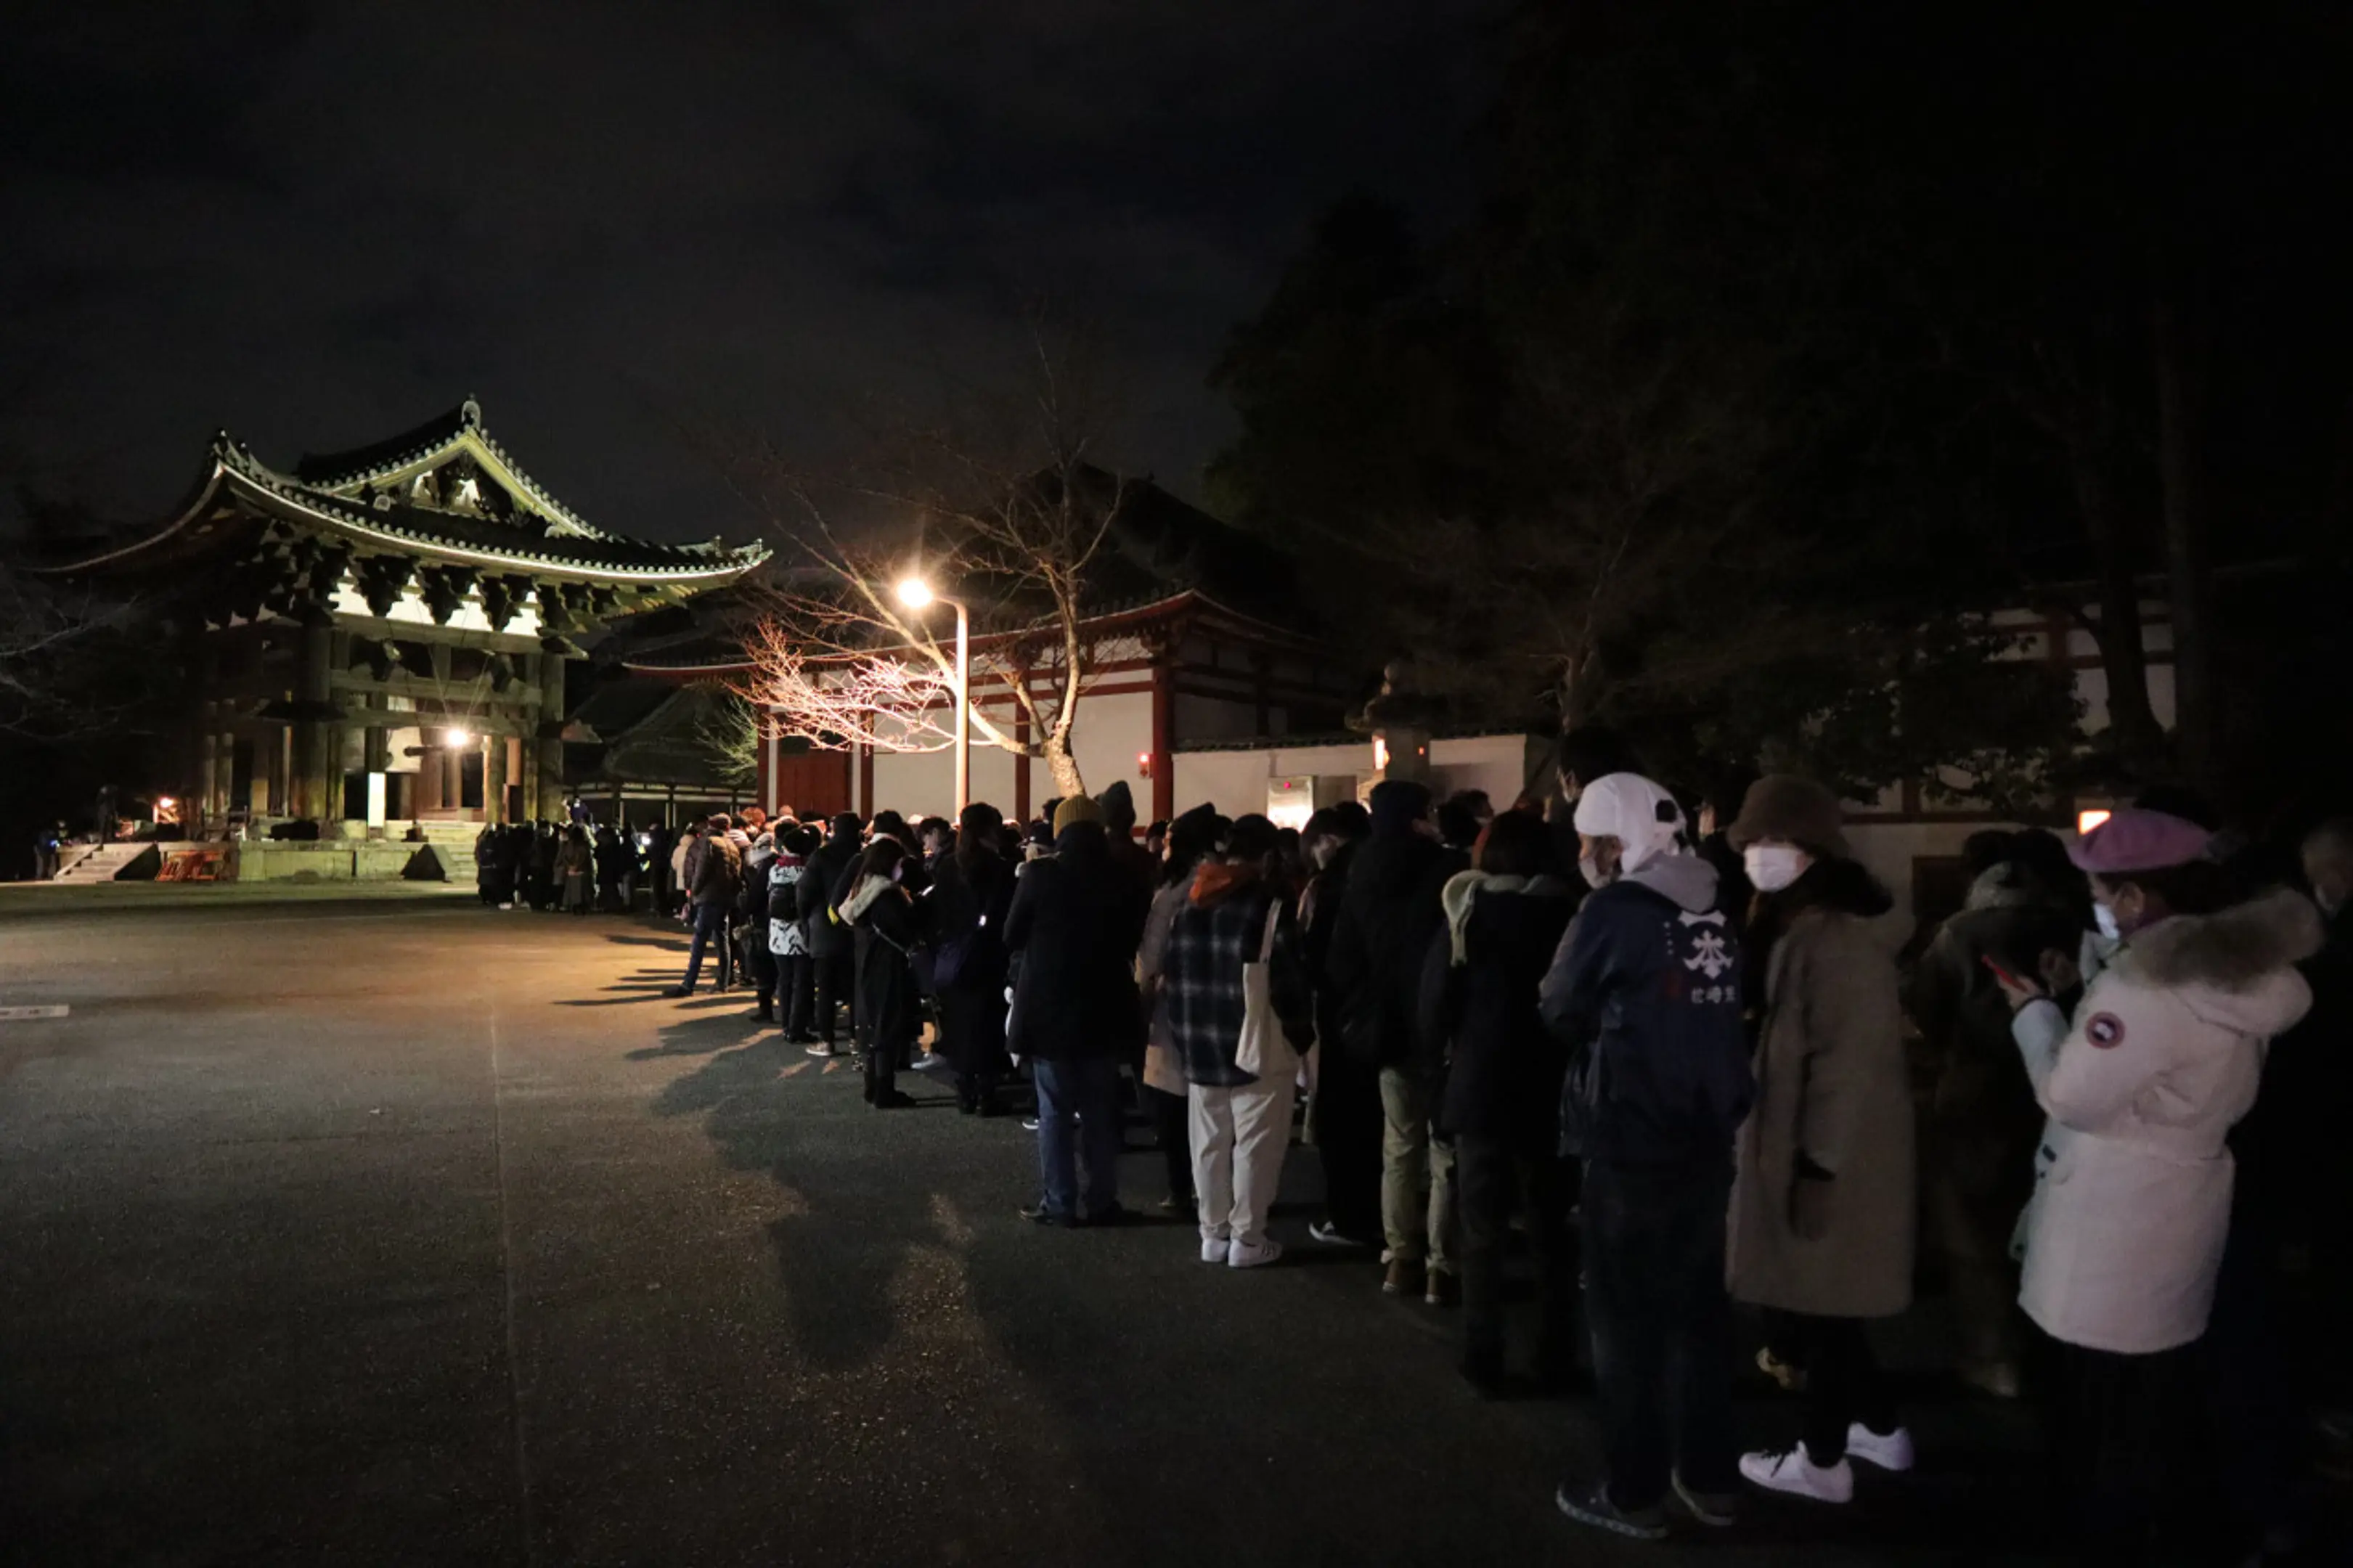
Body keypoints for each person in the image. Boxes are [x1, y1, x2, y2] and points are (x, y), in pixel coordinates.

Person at [1994, 809, 2317, 1560]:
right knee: (2155, 1403)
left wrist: (2035, 1014)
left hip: (2111, 1216)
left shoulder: (2143, 985)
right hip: (2183, 1198)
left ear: (2136, 897)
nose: (2097, 907)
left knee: (2092, 1420)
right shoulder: (2235, 970)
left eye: (2101, 893)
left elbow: (2072, 1095)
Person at [1540, 771, 1754, 1540]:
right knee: (1699, 1313)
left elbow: (1557, 1004)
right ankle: (1710, 1478)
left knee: (1624, 1320)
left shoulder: (1615, 910)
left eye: (1588, 841)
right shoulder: (1716, 902)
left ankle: (1632, 1492)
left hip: (1630, 1133)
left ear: (1614, 842)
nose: (1583, 855)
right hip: (1707, 1134)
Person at [1722, 776, 1917, 1506]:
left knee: (1823, 1306)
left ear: (1813, 850)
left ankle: (1822, 1459)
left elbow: (1845, 1065)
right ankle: (1879, 1427)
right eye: (1752, 841)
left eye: (1774, 841)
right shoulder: (1804, 925)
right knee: (1827, 1302)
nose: (1759, 854)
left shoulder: (1835, 939)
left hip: (1832, 1153)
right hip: (1818, 1146)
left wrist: (1818, 1165)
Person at [1904, 830, 2084, 1399]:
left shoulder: (1959, 932)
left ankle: (1993, 1357)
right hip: (2058, 1096)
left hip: (1975, 1097)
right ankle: (2054, 1350)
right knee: (2052, 1229)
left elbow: (1927, 1008)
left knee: (1974, 1238)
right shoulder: (2075, 927)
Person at [1419, 807, 1580, 1395]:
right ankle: (1554, 1355)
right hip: (1550, 1085)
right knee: (1549, 1227)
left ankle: (1482, 1357)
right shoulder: (1570, 914)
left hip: (1480, 1086)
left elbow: (1434, 1005)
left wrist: (1436, 1074)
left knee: (1481, 1229)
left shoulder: (1466, 912)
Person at [1328, 778, 1465, 1302]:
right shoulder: (1446, 868)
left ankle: (1399, 1259)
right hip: (1440, 1022)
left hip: (1385, 1025)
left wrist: (1360, 1009)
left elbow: (1342, 958)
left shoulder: (1361, 870)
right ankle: (1441, 1267)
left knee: (1399, 1144)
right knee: (1443, 1149)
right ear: (1417, 816)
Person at [1162, 814, 1314, 1267]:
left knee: (1208, 1143)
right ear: (1266, 857)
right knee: (1256, 1145)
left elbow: (1173, 978)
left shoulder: (1188, 905)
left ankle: (1212, 1234)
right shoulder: (1269, 908)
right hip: (1256, 1041)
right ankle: (1247, 1239)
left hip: (1199, 1042)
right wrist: (1301, 1038)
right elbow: (1289, 985)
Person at [1004, 796, 1150, 1227]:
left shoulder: (1041, 875)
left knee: (1054, 1110)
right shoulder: (1122, 876)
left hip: (1049, 1006)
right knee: (1101, 1111)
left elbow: (1011, 935)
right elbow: (1133, 939)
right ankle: (1102, 1200)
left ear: (1060, 830)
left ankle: (1060, 1202)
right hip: (1105, 1005)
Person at [1301, 801, 1379, 1247]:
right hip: (1387, 1012)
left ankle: (1348, 1217)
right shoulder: (1391, 873)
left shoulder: (1331, 884)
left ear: (1328, 840)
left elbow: (1316, 956)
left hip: (1340, 1014)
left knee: (1341, 1119)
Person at [1138, 809, 1219, 1217]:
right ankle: (1216, 1192)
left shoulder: (1172, 892)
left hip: (1174, 1003)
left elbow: (1151, 954)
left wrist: (1143, 989)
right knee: (1215, 1108)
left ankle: (1181, 1189)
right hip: (1221, 1005)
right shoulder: (1228, 882)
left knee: (1173, 1100)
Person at [927, 803, 1015, 1115]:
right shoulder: (1001, 868)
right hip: (990, 956)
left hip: (954, 955)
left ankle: (964, 1090)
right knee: (989, 1025)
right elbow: (1006, 916)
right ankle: (987, 1094)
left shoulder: (948, 866)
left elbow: (937, 911)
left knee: (959, 1024)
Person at [841, 837, 924, 1108]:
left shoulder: (862, 889)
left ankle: (872, 1087)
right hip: (889, 966)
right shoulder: (887, 894)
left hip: (868, 964)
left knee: (873, 1025)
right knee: (888, 1026)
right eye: (900, 863)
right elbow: (905, 928)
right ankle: (885, 1091)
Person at [799, 813, 864, 1055]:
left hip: (824, 929)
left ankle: (827, 1041)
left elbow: (805, 892)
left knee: (825, 988)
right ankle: (857, 1039)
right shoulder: (864, 856)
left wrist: (805, 919)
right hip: (856, 928)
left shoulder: (822, 855)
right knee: (856, 987)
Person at [667, 814, 742, 996]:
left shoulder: (709, 843)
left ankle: (688, 984)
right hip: (725, 898)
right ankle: (723, 982)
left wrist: (693, 892)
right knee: (722, 940)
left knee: (699, 942)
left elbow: (701, 871)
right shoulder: (731, 845)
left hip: (708, 898)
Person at [767, 825, 819, 1040]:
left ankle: (786, 1025)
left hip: (777, 933)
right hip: (800, 934)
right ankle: (797, 1029)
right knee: (802, 983)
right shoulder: (806, 872)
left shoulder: (775, 869)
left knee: (785, 980)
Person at [556, 823, 594, 915]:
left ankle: (574, 904)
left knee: (573, 889)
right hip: (583, 869)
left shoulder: (569, 845)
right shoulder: (585, 845)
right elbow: (585, 858)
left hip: (572, 870)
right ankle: (583, 905)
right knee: (584, 889)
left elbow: (565, 857)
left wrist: (570, 866)